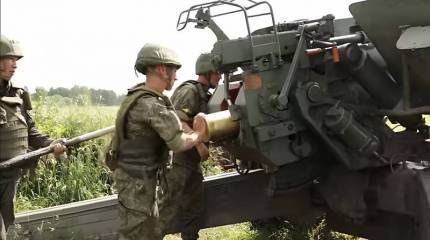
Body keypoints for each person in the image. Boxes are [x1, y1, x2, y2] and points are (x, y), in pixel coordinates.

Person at [108, 43, 207, 240]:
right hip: (137, 182)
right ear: (162, 69)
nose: (176, 76)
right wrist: (199, 134)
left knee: (147, 231)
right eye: (173, 71)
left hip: (136, 179)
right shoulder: (151, 104)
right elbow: (178, 143)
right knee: (138, 233)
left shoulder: (138, 96)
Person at [0, 34, 65, 240]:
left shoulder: (17, 94)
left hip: (10, 176)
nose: (15, 65)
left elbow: (31, 131)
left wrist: (50, 144)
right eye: (9, 58)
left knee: (7, 224)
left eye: (16, 60)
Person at [167, 53, 221, 240]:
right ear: (207, 72)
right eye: (217, 72)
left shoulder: (203, 94)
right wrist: (200, 146)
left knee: (194, 208)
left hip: (189, 161)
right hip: (177, 160)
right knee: (166, 205)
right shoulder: (189, 91)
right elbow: (178, 121)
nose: (220, 76)